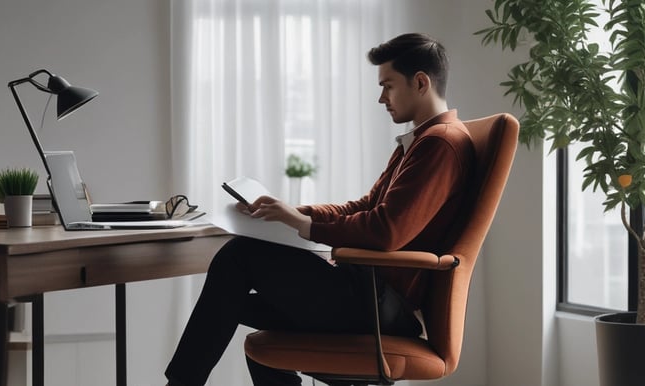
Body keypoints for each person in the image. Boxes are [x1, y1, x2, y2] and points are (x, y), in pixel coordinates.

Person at [165, 32, 476, 386]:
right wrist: (292, 212)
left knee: (240, 256)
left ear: (420, 82)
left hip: (380, 306)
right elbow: (365, 206)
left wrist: (302, 224)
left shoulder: (440, 144)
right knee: (234, 304)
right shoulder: (421, 141)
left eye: (388, 86)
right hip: (368, 294)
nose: (381, 98)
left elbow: (386, 230)